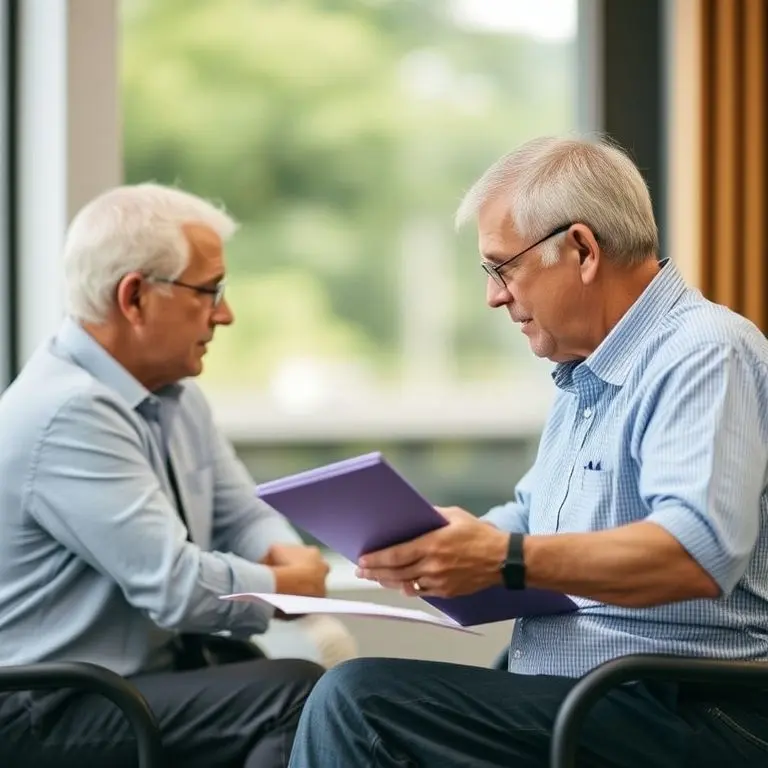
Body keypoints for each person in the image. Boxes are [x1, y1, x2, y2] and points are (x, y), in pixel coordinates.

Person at [288, 136, 768, 767]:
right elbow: (534, 515)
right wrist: (437, 544)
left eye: (501, 267)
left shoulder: (706, 353)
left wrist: (504, 558)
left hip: (687, 706)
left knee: (359, 703)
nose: (493, 296)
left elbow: (697, 552)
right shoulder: (586, 372)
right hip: (596, 695)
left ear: (582, 250)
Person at [0, 183, 331, 768]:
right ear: (134, 297)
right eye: (210, 291)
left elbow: (241, 513)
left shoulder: (175, 395)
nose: (224, 314)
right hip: (44, 706)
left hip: (128, 682)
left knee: (318, 689)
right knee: (293, 696)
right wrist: (283, 589)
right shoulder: (68, 411)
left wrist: (283, 553)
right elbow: (175, 588)